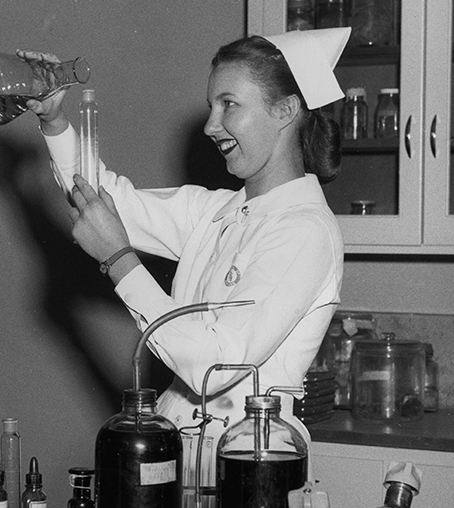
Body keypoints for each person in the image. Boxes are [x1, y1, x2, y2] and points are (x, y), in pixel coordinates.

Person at [20, 26, 350, 485]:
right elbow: (107, 202)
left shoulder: (305, 230)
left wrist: (119, 259)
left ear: (285, 110)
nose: (211, 125)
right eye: (212, 105)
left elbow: (215, 367)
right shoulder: (218, 211)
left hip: (249, 464)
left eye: (229, 104)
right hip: (184, 448)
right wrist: (55, 122)